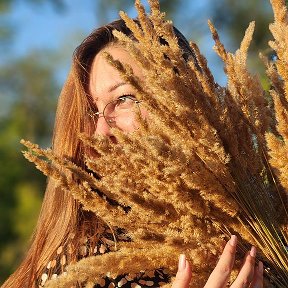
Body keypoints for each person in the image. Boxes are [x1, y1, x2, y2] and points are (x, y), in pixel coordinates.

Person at [2, 18, 263, 288]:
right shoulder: (87, 264)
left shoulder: (255, 223)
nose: (100, 133)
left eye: (123, 99)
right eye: (91, 112)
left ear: (188, 99)